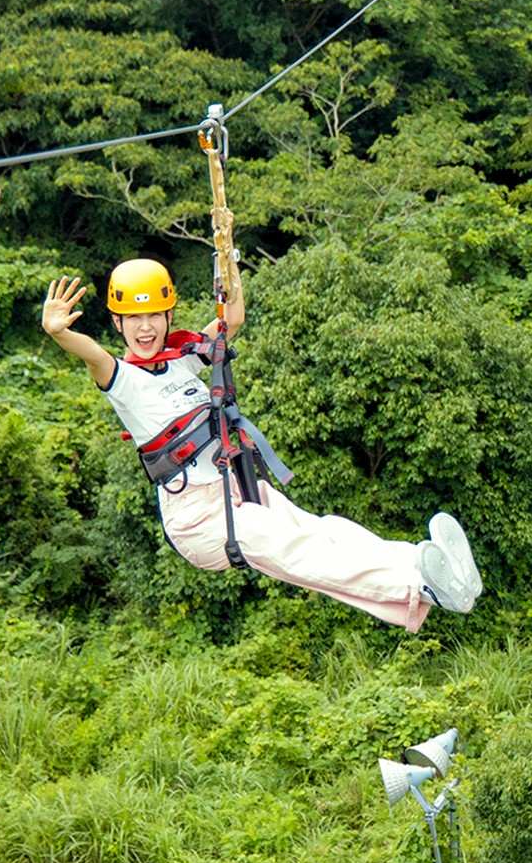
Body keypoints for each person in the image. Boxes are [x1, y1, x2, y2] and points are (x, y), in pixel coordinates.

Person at [42, 259, 482, 633]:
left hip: (235, 490)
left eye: (155, 315)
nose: (145, 326)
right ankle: (420, 586)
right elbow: (94, 356)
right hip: (199, 519)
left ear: (169, 317)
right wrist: (58, 331)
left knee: (325, 531)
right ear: (117, 323)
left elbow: (230, 320)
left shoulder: (179, 361)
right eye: (134, 319)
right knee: (300, 552)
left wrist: (228, 257)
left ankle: (427, 565)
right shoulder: (125, 382)